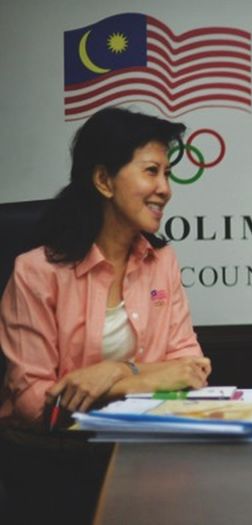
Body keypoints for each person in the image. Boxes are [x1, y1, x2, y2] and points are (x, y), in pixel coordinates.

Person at [0, 107, 211, 426]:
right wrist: (142, 382)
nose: (166, 189)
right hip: (58, 451)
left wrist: (116, 372)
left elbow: (191, 372)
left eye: (166, 174)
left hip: (146, 442)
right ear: (103, 180)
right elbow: (33, 403)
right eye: (152, 171)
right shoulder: (36, 272)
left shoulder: (162, 260)